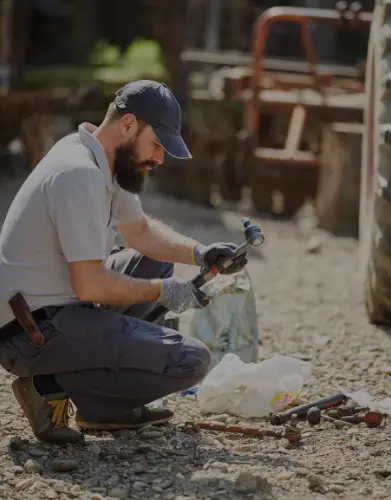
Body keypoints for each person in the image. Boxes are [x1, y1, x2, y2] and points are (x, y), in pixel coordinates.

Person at [0, 80, 248, 445]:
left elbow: (141, 233)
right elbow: (92, 284)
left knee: (155, 261)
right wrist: (165, 291)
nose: (160, 158)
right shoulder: (78, 175)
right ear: (128, 125)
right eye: (157, 144)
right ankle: (46, 384)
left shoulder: (99, 157)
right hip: (31, 332)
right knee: (191, 360)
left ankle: (104, 409)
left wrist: (200, 252)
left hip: (59, 307)